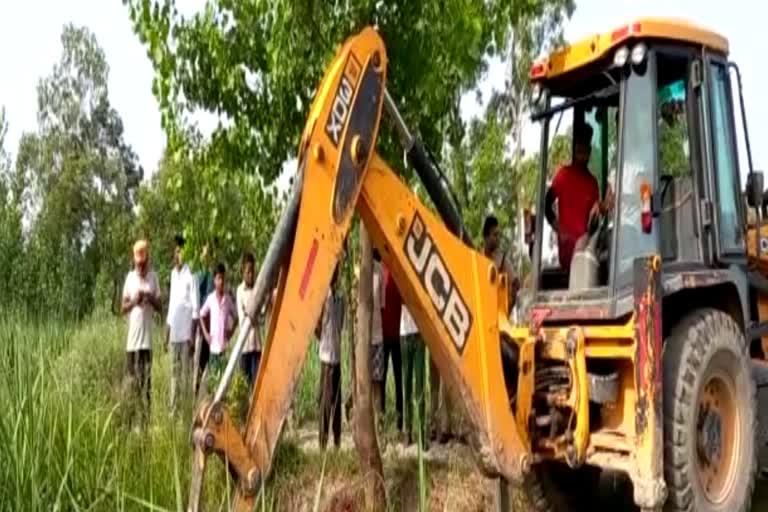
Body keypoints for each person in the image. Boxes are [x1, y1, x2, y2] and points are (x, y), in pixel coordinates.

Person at [545, 124, 613, 271]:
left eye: (585, 152)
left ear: (589, 151)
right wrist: (560, 230)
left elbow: (593, 223)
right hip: (568, 254)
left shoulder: (592, 183)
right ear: (574, 150)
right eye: (579, 152)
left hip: (585, 252)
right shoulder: (563, 175)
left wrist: (601, 208)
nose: (582, 157)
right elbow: (546, 205)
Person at [121, 239, 161, 431]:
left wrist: (150, 297)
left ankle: (145, 424)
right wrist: (134, 301)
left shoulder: (154, 277)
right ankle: (132, 423)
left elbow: (161, 306)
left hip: (147, 343)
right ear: (134, 261)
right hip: (132, 343)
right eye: (138, 263)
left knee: (146, 385)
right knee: (133, 384)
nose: (141, 266)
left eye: (143, 263)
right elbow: (122, 307)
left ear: (148, 259)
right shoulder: (129, 278)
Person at [165, 234, 199, 416]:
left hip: (186, 335)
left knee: (185, 375)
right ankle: (173, 411)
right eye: (176, 251)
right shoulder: (172, 275)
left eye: (181, 252)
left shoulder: (190, 275)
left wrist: (193, 337)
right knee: (173, 375)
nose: (178, 255)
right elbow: (171, 305)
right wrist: (166, 334)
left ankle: (186, 412)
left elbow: (195, 308)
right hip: (174, 334)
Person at [317, 267, 346, 450]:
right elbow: (317, 324)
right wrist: (322, 337)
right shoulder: (324, 298)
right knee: (325, 402)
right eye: (332, 271)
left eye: (336, 272)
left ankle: (336, 441)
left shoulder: (340, 299)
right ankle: (323, 442)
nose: (334, 275)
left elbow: (341, 325)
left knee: (336, 401)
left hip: (337, 356)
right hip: (326, 357)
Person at [199, 263, 237, 391]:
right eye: (218, 278)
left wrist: (231, 332)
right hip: (213, 348)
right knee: (214, 381)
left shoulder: (227, 300)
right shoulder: (210, 299)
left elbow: (235, 316)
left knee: (224, 382)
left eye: (223, 279)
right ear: (214, 280)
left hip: (224, 348)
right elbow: (201, 315)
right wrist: (206, 334)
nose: (221, 282)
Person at [381, 263, 404, 434]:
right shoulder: (382, 271)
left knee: (397, 381)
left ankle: (399, 421)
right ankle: (384, 419)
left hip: (396, 336)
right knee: (383, 381)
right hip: (385, 336)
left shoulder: (397, 271)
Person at [401, 305, 427, 448]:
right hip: (405, 334)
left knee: (420, 386)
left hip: (418, 336)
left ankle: (422, 434)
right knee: (407, 385)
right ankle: (408, 432)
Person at [236, 252, 263, 389]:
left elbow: (261, 313)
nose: (251, 274)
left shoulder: (258, 289)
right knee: (244, 386)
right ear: (243, 272)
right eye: (248, 271)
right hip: (245, 347)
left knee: (256, 385)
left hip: (256, 346)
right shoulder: (240, 291)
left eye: (252, 271)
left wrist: (252, 313)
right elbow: (243, 320)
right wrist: (253, 314)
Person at [482, 215, 520, 311]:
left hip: (498, 314)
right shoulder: (478, 257)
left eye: (498, 234)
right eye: (495, 235)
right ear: (486, 237)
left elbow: (516, 282)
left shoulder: (502, 259)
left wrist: (510, 305)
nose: (497, 238)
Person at [194, 239, 217, 395]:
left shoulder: (215, 275)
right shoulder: (200, 274)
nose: (208, 255)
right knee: (200, 364)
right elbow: (197, 301)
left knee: (213, 363)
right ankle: (195, 394)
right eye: (206, 251)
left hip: (214, 327)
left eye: (210, 252)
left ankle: (210, 396)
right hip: (203, 327)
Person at [371, 250, 386, 424]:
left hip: (378, 336)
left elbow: (382, 306)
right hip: (364, 341)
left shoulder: (379, 271)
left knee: (377, 382)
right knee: (365, 383)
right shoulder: (358, 270)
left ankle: (378, 423)